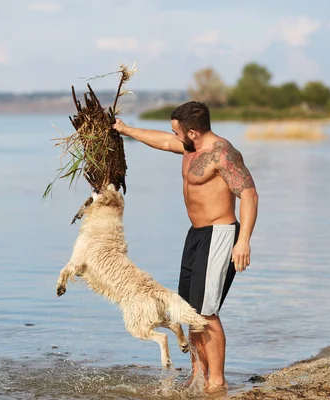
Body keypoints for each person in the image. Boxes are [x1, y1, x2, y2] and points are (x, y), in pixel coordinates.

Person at [113, 101, 258, 394]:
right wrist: (125, 129)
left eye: (177, 132)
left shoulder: (222, 153)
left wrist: (243, 241)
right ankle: (197, 375)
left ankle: (216, 381)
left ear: (192, 132)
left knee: (206, 312)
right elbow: (163, 141)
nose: (173, 137)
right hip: (195, 235)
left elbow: (249, 194)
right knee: (188, 310)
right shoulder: (190, 148)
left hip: (220, 234)